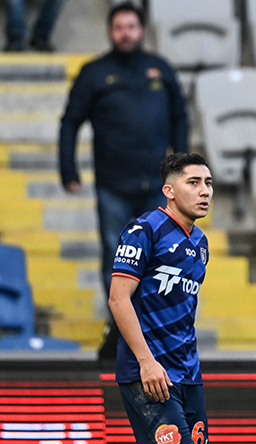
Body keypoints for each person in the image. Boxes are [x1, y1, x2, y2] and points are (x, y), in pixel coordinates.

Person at [94, 152, 218, 444]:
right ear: (169, 190)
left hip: (188, 371)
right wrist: (147, 361)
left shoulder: (200, 242)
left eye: (208, 182)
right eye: (193, 182)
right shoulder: (143, 230)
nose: (204, 190)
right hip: (148, 369)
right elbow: (118, 298)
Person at [58, 2, 188, 354]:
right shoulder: (94, 73)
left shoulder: (160, 69)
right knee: (116, 258)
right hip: (112, 186)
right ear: (110, 32)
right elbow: (70, 122)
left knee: (161, 261)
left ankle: (155, 332)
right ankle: (119, 331)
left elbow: (180, 117)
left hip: (156, 187)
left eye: (131, 26)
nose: (125, 33)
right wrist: (68, 170)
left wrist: (185, 172)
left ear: (142, 30)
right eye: (119, 27)